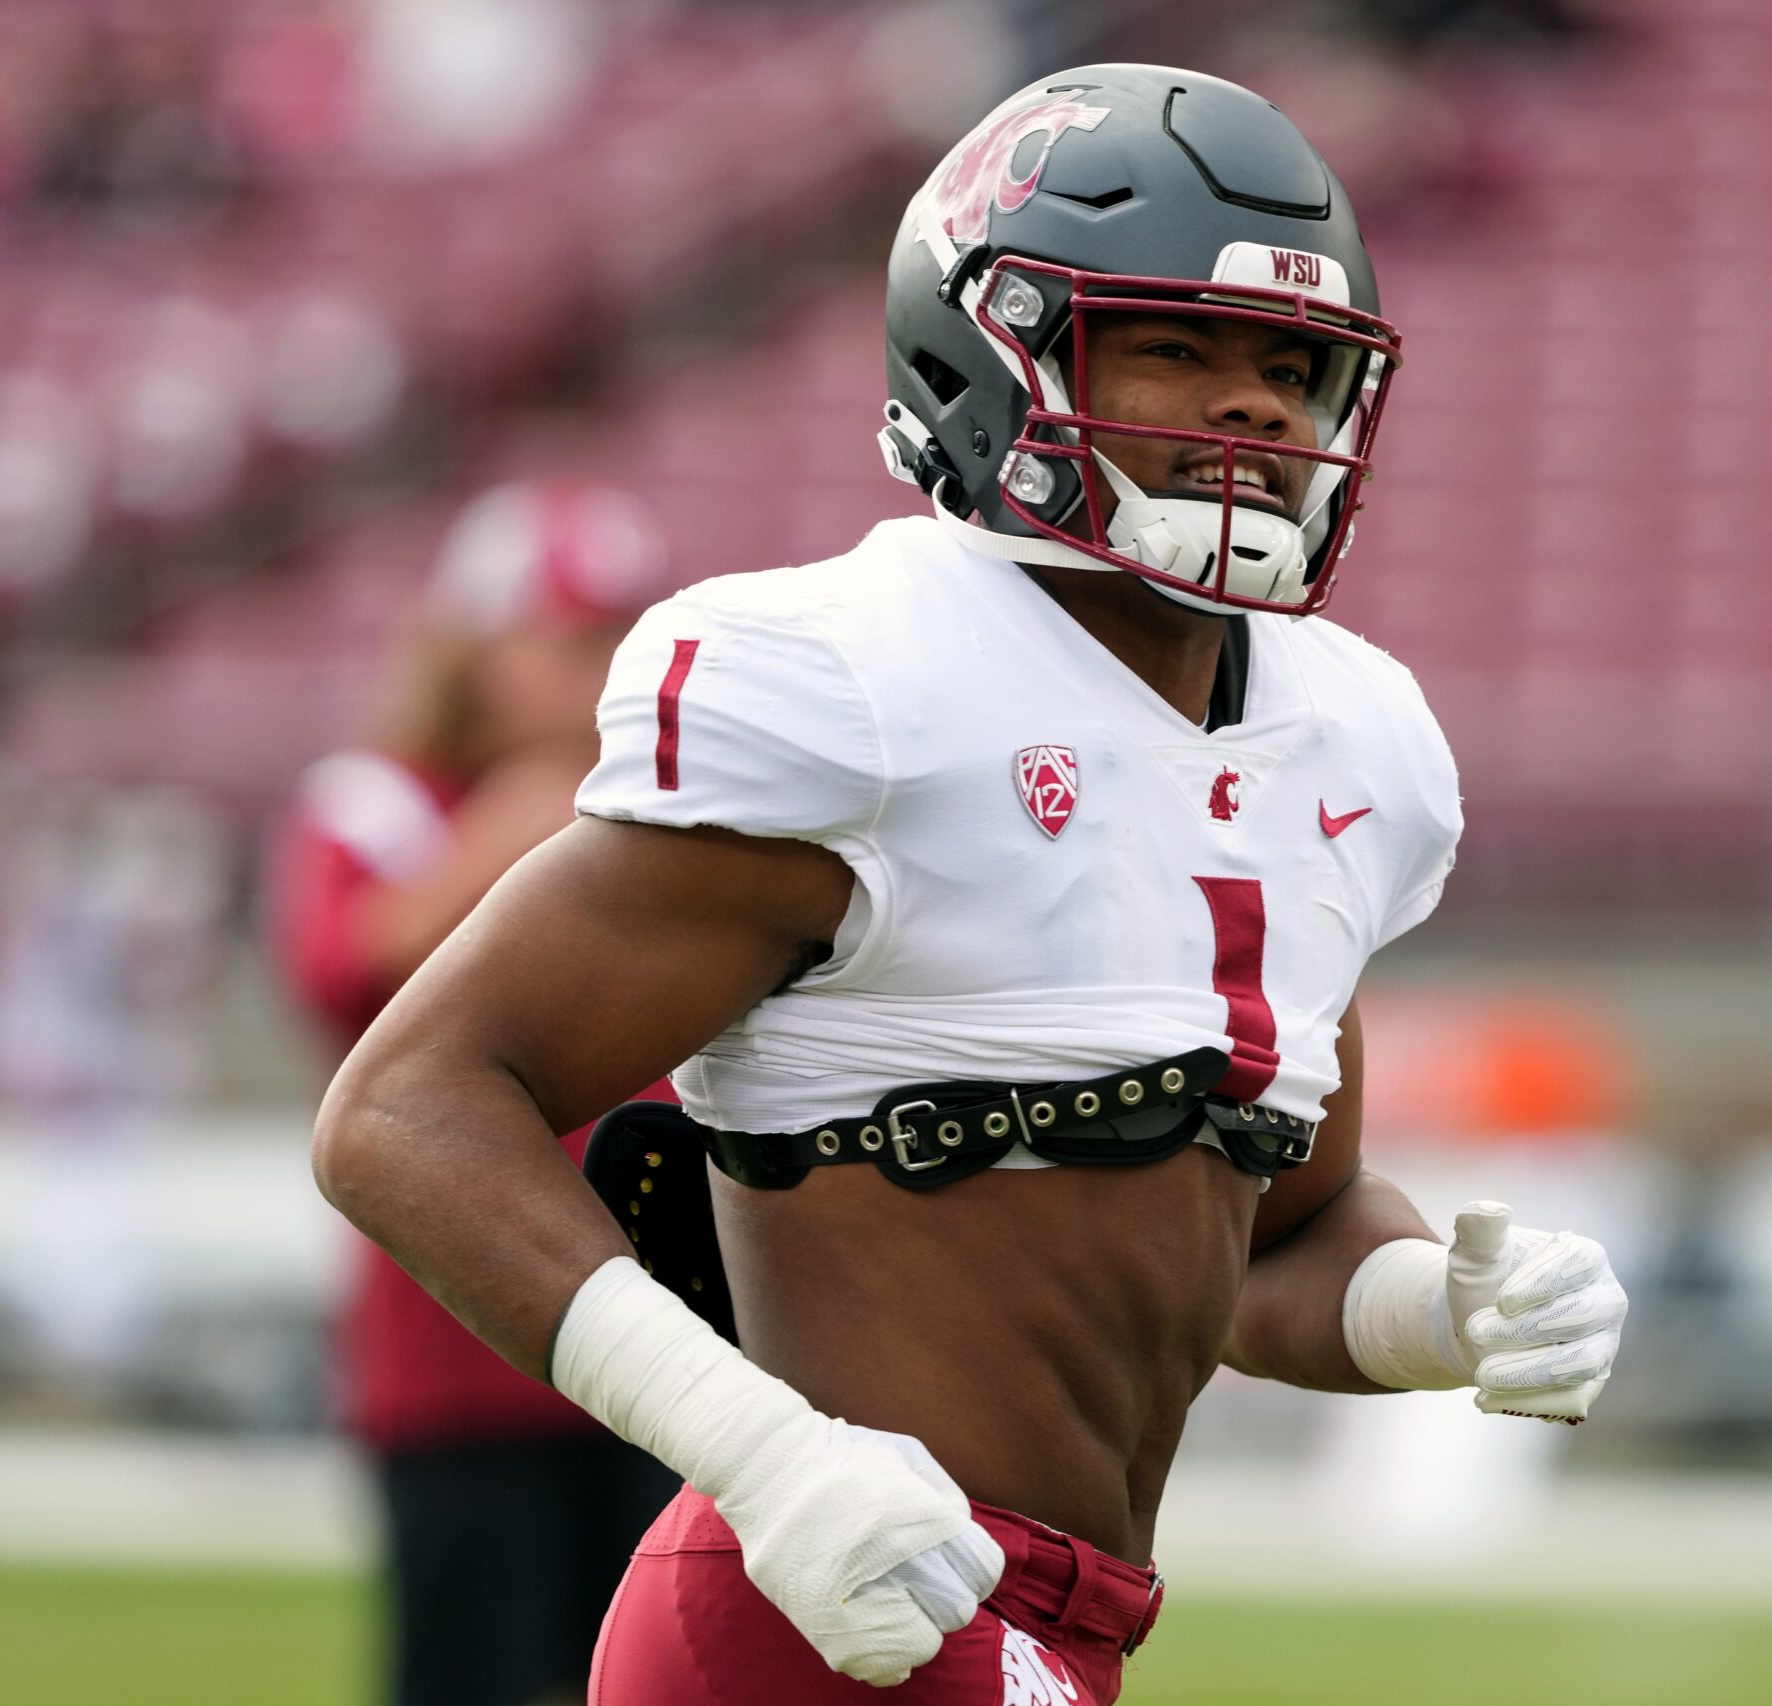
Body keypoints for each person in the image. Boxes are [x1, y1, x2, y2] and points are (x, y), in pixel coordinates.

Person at [313, 65, 1627, 1704]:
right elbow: (407, 1111)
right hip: (830, 1605)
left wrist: (1440, 1310)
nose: (1253, 409)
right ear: (989, 353)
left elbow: (1275, 1246)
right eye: (1176, 345)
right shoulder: (861, 684)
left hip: (1062, 1618)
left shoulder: (1353, 747)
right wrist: (764, 1452)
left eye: (1291, 367)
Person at [268, 480, 680, 1706]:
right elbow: (342, 979)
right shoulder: (378, 803)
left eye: (621, 635)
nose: (600, 668)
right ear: (476, 648)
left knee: (668, 1673)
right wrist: (518, 823)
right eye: (568, 639)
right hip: (455, 1357)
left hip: (666, 1350)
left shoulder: (671, 810)